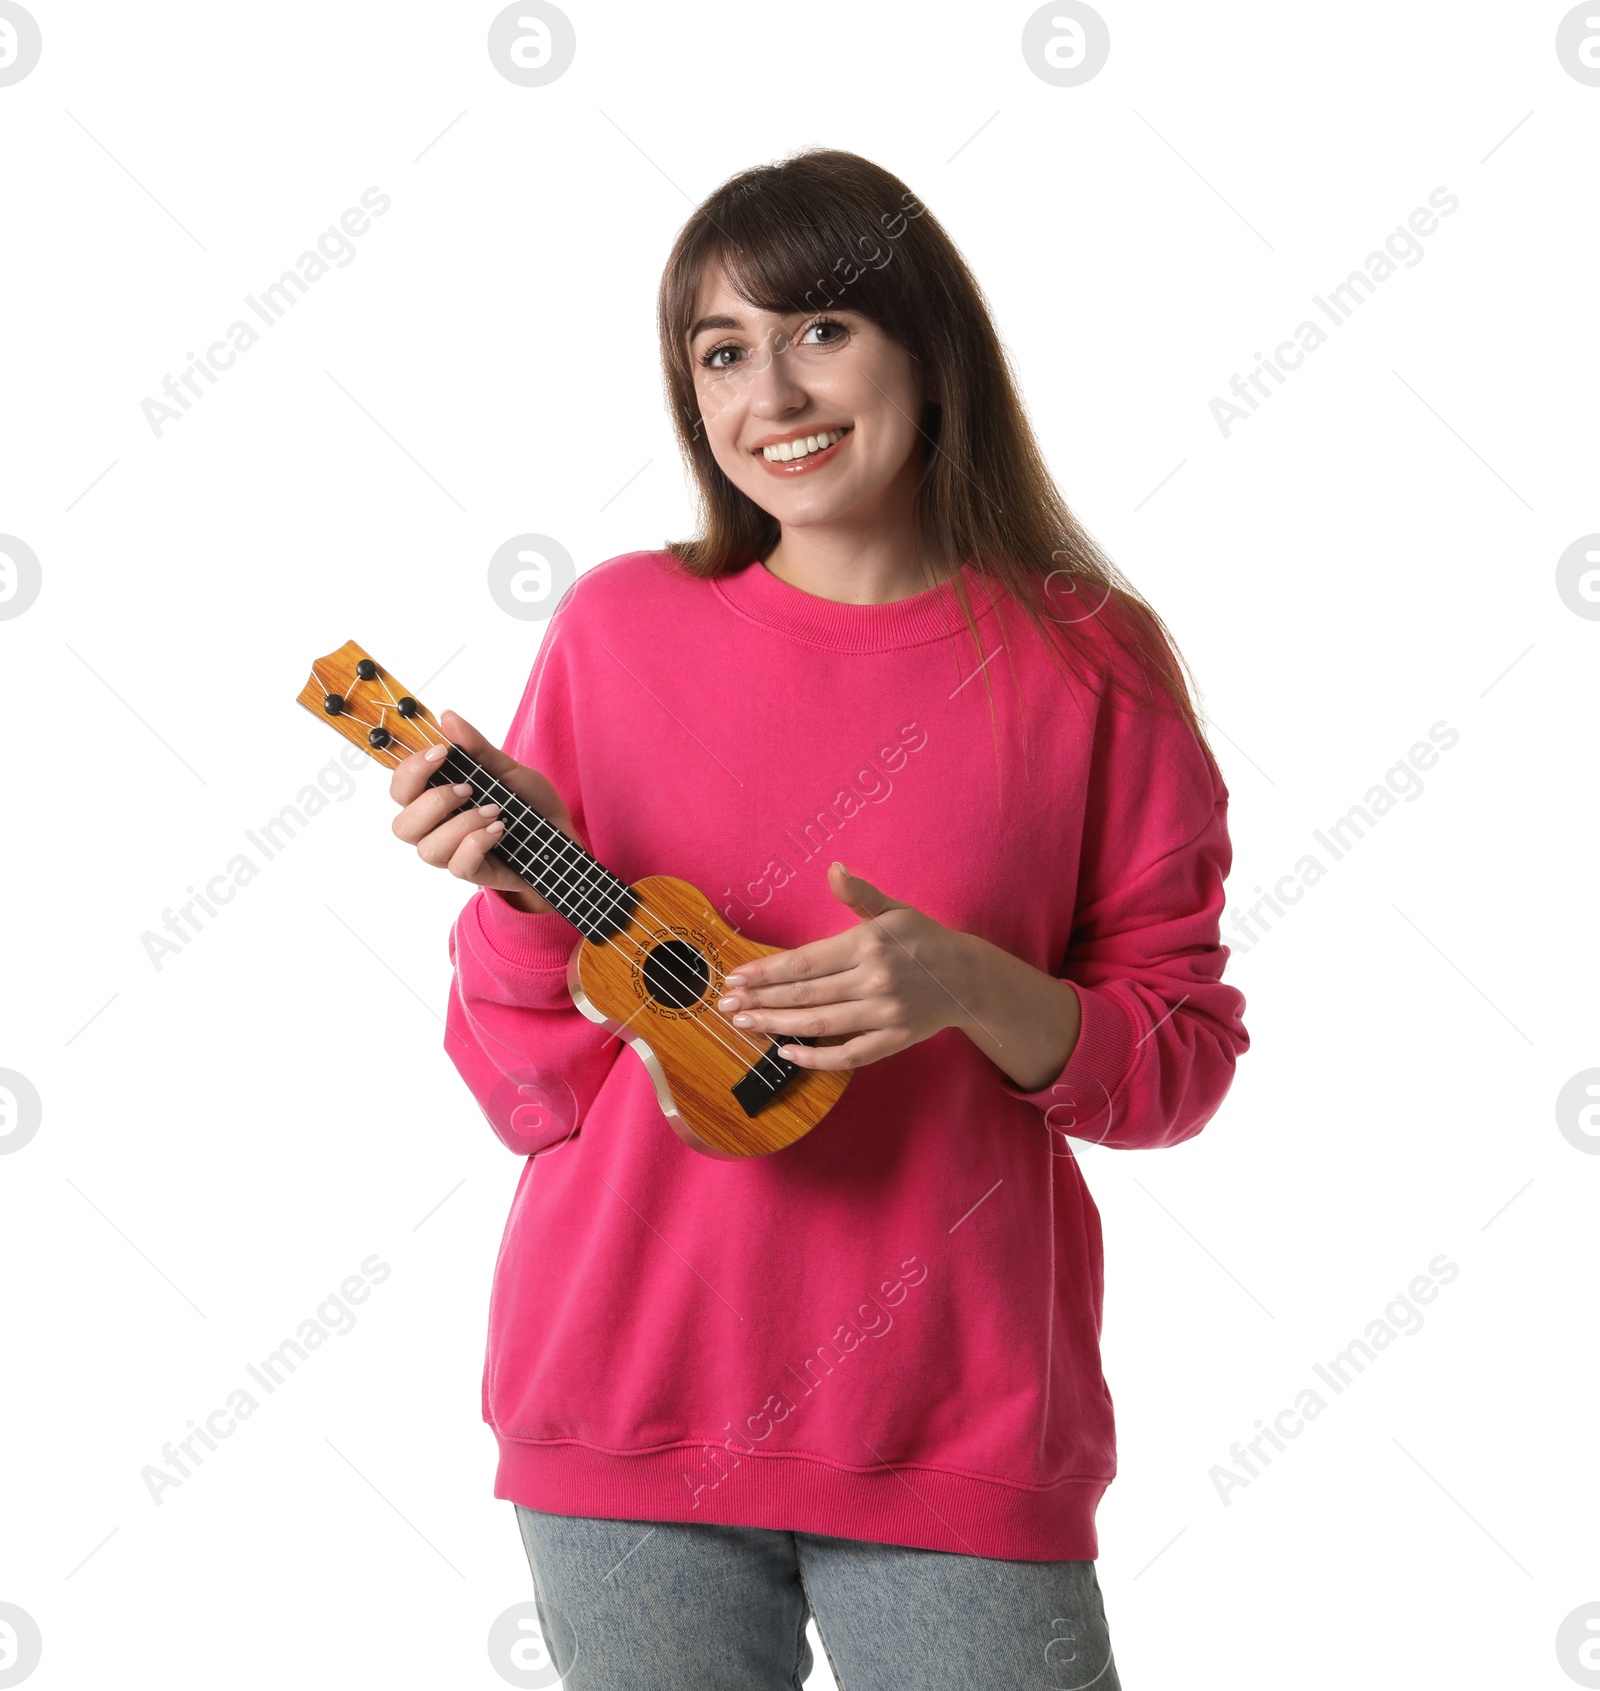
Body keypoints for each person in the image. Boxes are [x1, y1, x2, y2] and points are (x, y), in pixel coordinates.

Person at [387, 148, 1249, 1691]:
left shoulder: (1090, 665)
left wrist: (983, 988)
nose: (771, 393)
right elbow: (526, 1090)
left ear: (931, 348)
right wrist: (523, 907)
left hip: (958, 1423)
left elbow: (1179, 1059)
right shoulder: (616, 631)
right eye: (722, 352)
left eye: (821, 331)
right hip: (625, 1406)